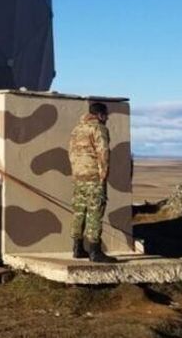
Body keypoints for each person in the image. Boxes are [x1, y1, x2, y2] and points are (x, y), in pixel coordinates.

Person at [68, 101, 115, 263]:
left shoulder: (76, 130)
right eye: (106, 115)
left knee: (79, 212)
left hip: (79, 177)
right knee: (95, 212)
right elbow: (103, 153)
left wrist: (77, 173)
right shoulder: (99, 129)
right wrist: (103, 177)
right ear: (100, 115)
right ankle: (95, 251)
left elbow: (71, 153)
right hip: (94, 177)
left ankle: (77, 248)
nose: (107, 118)